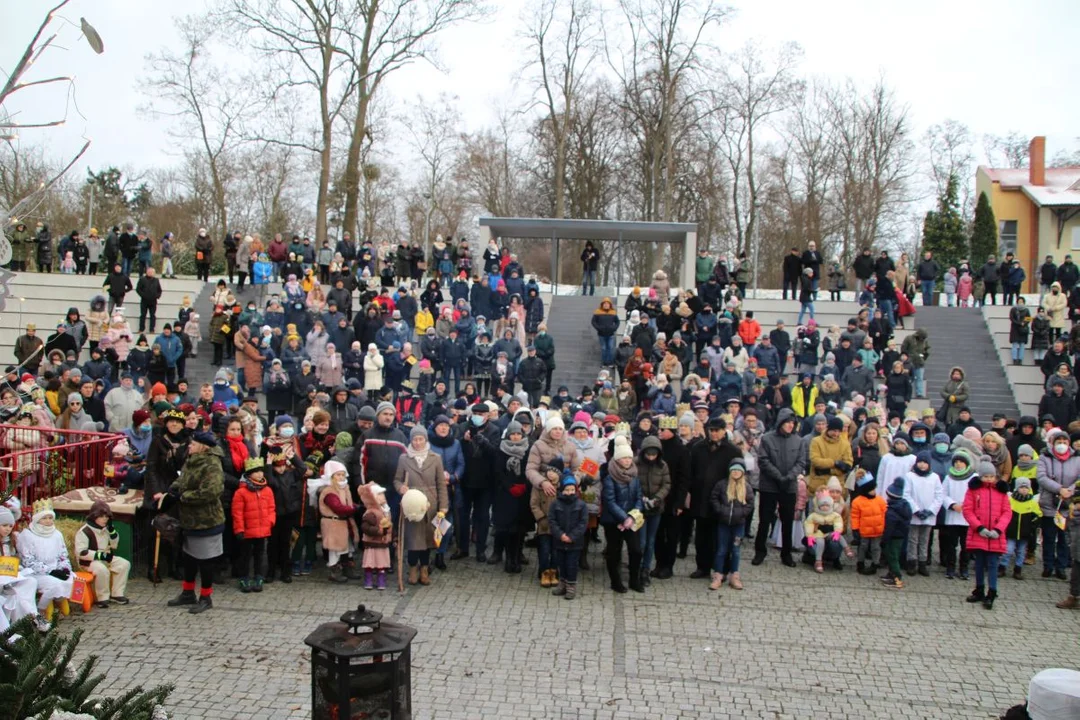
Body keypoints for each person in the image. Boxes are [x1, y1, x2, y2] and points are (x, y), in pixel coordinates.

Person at [165, 430, 225, 614]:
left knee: (205, 560)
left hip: (206, 520)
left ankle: (206, 597)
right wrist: (173, 489)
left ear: (202, 446)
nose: (189, 445)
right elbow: (182, 478)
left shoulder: (211, 464)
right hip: (188, 520)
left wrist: (184, 496)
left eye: (193, 443)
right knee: (189, 557)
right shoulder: (191, 460)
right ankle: (188, 592)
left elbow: (211, 491)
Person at [393, 426, 448, 586]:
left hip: (430, 504)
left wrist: (443, 506)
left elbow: (441, 484)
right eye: (415, 439)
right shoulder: (404, 458)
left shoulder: (435, 458)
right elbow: (397, 479)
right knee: (412, 539)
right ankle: (412, 568)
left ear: (425, 440)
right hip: (412, 503)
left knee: (428, 539)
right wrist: (400, 488)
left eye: (420, 439)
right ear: (411, 441)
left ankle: (424, 568)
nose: (417, 443)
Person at [753, 409, 805, 566]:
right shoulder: (767, 439)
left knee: (787, 520)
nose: (790, 425)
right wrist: (779, 476)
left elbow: (801, 462)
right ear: (781, 422)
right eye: (788, 422)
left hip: (789, 486)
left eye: (793, 423)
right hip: (769, 485)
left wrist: (789, 477)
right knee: (764, 520)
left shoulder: (799, 440)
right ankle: (760, 551)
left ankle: (786, 554)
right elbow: (763, 460)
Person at [963, 460, 1013, 610]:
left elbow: (1007, 512)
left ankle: (992, 591)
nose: (989, 479)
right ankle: (979, 589)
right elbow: (968, 510)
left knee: (992, 564)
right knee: (979, 564)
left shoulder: (1001, 492)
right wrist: (979, 527)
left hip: (995, 536)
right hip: (980, 533)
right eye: (986, 476)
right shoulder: (973, 491)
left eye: (992, 476)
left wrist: (998, 530)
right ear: (980, 477)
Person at [601, 435, 645, 593]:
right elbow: (610, 501)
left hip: (631, 520)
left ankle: (634, 579)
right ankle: (615, 581)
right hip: (613, 521)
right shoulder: (610, 477)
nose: (627, 461)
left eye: (629, 458)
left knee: (636, 550)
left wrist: (633, 516)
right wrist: (623, 518)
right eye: (624, 458)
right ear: (617, 459)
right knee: (614, 551)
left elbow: (639, 497)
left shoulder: (634, 475)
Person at [17, 499, 74, 620]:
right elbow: (28, 561)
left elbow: (63, 555)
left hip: (56, 569)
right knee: (56, 585)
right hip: (37, 573)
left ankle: (58, 604)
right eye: (44, 518)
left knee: (73, 580)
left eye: (50, 517)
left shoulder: (57, 534)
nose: (48, 521)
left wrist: (64, 569)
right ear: (37, 519)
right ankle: (41, 609)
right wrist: (50, 571)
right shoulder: (27, 535)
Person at [1036, 429, 1079, 580]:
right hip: (1049, 503)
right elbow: (1041, 477)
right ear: (1053, 443)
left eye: (1065, 442)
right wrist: (1058, 489)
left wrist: (1070, 490)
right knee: (1048, 537)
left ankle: (1061, 567)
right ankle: (1048, 565)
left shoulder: (1077, 459)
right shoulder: (1044, 457)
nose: (1062, 445)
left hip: (1068, 505)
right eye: (1059, 442)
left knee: (1064, 537)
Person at [73, 499, 131, 609]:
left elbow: (114, 545)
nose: (105, 519)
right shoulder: (84, 531)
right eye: (102, 516)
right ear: (94, 516)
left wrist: (112, 531)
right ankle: (102, 597)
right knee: (101, 570)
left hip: (105, 557)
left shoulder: (106, 529)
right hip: (89, 561)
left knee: (124, 564)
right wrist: (100, 556)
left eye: (107, 517)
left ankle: (117, 594)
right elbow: (81, 552)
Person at [231, 457, 276, 593]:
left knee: (259, 554)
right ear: (249, 474)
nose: (260, 474)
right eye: (256, 472)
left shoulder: (267, 490)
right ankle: (244, 577)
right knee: (245, 555)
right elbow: (237, 513)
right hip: (247, 530)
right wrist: (239, 529)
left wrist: (270, 521)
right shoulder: (241, 492)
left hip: (262, 529)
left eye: (261, 471)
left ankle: (258, 576)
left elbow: (271, 508)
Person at [709, 458, 753, 590]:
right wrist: (720, 510)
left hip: (738, 524)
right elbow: (714, 498)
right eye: (733, 470)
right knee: (721, 549)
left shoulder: (746, 487)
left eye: (738, 470)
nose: (735, 472)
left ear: (742, 472)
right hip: (723, 523)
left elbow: (750, 503)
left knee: (736, 550)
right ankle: (718, 574)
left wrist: (742, 513)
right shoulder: (722, 485)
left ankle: (734, 575)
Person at [549, 469, 588, 600]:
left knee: (572, 564)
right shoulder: (555, 504)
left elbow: (583, 523)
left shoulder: (581, 505)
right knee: (561, 563)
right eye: (567, 490)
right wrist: (561, 535)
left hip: (575, 542)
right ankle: (562, 583)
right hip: (560, 541)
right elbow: (552, 521)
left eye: (572, 490)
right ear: (561, 490)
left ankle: (571, 585)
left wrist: (572, 536)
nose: (569, 492)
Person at [904, 451, 943, 577]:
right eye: (920, 462)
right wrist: (915, 510)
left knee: (924, 540)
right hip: (915, 514)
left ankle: (922, 562)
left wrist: (930, 511)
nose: (922, 465)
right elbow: (906, 494)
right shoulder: (909, 476)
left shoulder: (934, 477)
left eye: (925, 462)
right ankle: (911, 562)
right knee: (912, 539)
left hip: (928, 515)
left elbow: (939, 496)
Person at [1003, 478, 1041, 580]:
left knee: (1021, 552)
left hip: (1025, 533)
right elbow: (1004, 513)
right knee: (1008, 550)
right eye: (1021, 487)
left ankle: (1018, 570)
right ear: (1016, 488)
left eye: (1026, 488)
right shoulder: (1010, 500)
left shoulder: (1032, 502)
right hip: (1011, 532)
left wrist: (1032, 525)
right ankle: (1002, 567)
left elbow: (1038, 515)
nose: (1024, 489)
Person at [358, 482, 393, 591]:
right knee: (370, 562)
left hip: (383, 543)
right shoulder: (371, 512)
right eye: (379, 495)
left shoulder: (386, 511)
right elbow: (365, 527)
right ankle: (368, 580)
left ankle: (381, 580)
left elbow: (390, 525)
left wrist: (393, 536)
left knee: (381, 563)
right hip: (373, 543)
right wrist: (378, 531)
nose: (383, 497)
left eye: (383, 494)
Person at [880, 477, 911, 589]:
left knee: (892, 557)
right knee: (893, 556)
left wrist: (883, 540)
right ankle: (891, 574)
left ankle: (897, 578)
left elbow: (889, 529)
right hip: (901, 536)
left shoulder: (891, 512)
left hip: (893, 537)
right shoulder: (905, 506)